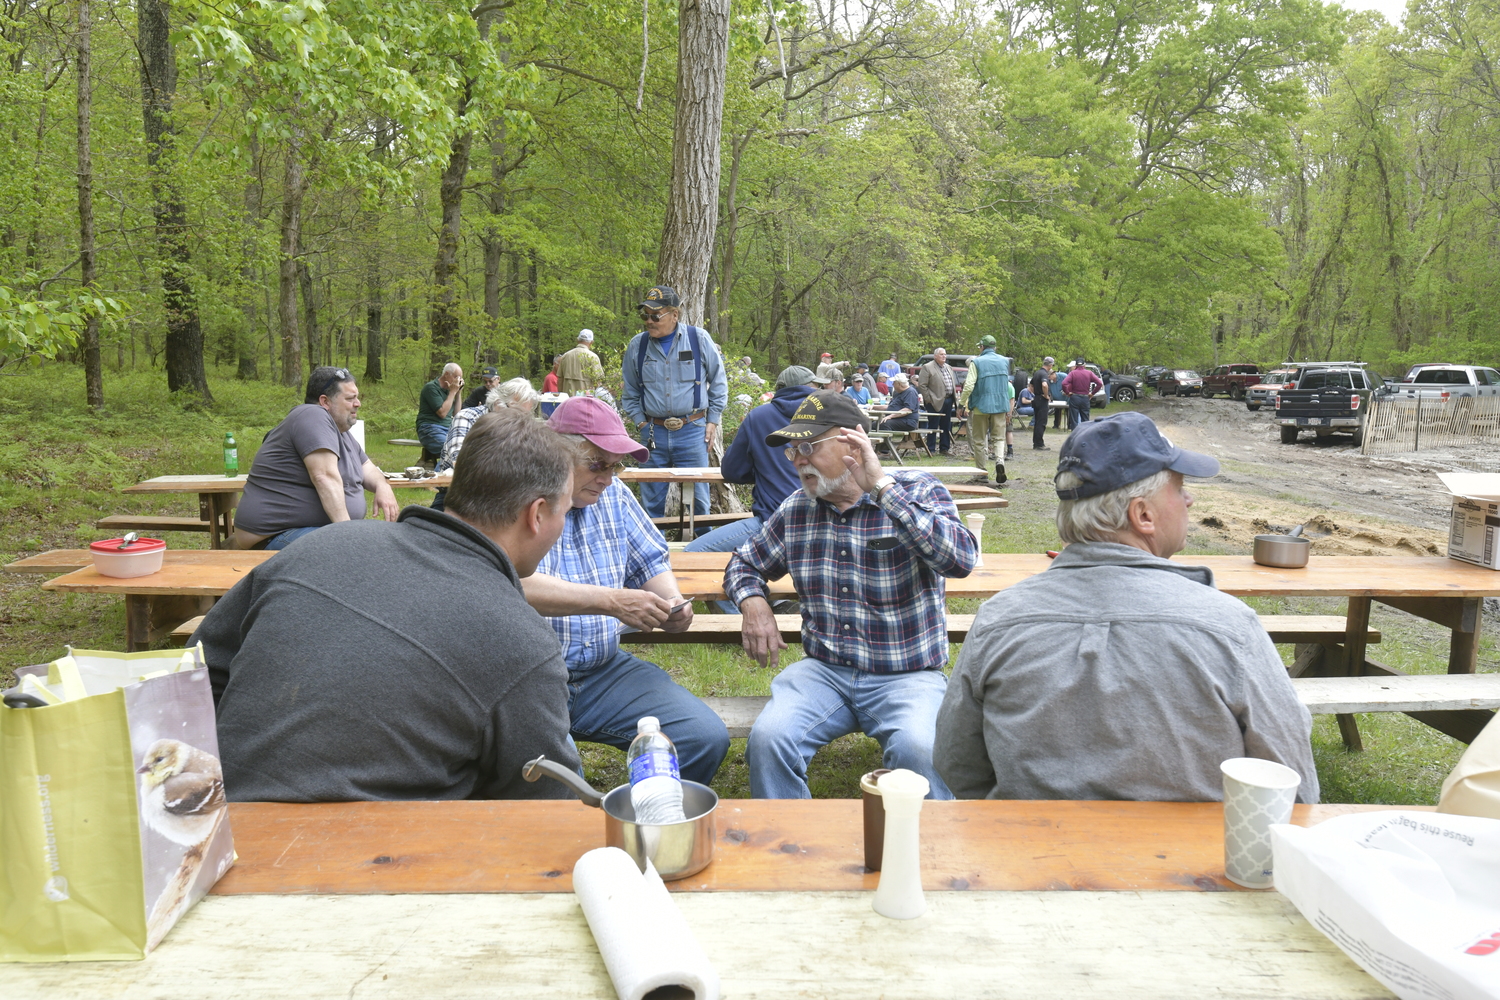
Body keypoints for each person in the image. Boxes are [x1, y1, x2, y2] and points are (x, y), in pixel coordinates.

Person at [196, 409, 582, 802]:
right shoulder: (521, 639)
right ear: (536, 514)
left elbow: (197, 670)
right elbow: (547, 795)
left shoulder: (320, 546)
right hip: (375, 857)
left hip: (213, 831)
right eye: (565, 511)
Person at [933, 411, 1318, 804]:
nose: (1189, 497)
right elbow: (1295, 786)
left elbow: (957, 765)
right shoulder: (1230, 628)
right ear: (1143, 515)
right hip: (1193, 863)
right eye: (1179, 485)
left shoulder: (999, 620)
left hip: (1032, 855)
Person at [724, 391, 977, 799]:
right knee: (769, 740)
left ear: (852, 442)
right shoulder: (797, 510)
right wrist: (753, 603)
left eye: (808, 447)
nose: (798, 460)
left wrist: (881, 489)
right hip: (824, 671)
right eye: (792, 451)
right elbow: (744, 563)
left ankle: (929, 854)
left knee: (922, 750)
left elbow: (961, 560)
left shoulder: (917, 491)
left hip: (906, 675)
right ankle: (791, 849)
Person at [525, 395, 730, 785]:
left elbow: (650, 560)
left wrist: (672, 604)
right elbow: (511, 583)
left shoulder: (613, 494)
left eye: (615, 465)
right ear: (554, 455)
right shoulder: (517, 496)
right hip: (530, 679)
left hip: (603, 671)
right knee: (557, 782)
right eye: (597, 464)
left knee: (701, 737)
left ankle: (649, 824)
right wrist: (610, 601)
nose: (608, 476)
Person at [230, 366, 399, 551]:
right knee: (364, 552)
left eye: (357, 397)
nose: (357, 403)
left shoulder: (341, 433)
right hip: (277, 535)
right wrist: (348, 537)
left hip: (309, 531)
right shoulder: (312, 414)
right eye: (350, 398)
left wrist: (383, 486)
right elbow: (324, 476)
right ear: (325, 401)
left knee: (389, 541)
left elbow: (367, 467)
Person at [685, 365, 819, 574]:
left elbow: (731, 470)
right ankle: (776, 601)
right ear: (812, 387)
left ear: (779, 389)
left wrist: (762, 472)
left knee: (692, 556)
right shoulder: (831, 416)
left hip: (773, 523)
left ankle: (741, 607)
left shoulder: (759, 417)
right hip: (825, 524)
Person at [620, 285, 729, 518]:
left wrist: (713, 420)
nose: (649, 321)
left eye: (655, 315)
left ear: (674, 315)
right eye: (645, 315)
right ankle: (655, 550)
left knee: (699, 503)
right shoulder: (637, 346)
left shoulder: (698, 339)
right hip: (652, 434)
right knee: (651, 504)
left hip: (692, 431)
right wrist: (641, 423)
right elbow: (629, 392)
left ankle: (700, 550)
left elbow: (719, 381)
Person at [958, 335, 1012, 485]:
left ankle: (981, 473)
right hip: (1000, 405)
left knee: (980, 440)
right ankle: (1000, 460)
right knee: (999, 438)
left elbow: (969, 385)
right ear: (995, 348)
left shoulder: (977, 362)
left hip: (981, 406)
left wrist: (961, 404)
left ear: (982, 347)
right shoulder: (1004, 361)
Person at [416, 363, 465, 456]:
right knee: (450, 451)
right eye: (456, 377)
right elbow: (442, 413)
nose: (458, 380)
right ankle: (441, 470)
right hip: (430, 428)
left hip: (448, 429)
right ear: (446, 374)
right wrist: (452, 392)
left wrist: (458, 393)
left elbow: (457, 415)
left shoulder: (450, 390)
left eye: (460, 378)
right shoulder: (431, 387)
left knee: (464, 450)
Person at [917, 347, 958, 455]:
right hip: (934, 401)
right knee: (933, 424)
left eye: (945, 354)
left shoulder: (949, 367)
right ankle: (931, 449)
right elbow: (922, 385)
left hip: (949, 399)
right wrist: (928, 399)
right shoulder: (927, 367)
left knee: (946, 425)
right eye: (941, 354)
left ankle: (944, 448)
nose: (944, 356)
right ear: (935, 356)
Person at [557, 329, 605, 397]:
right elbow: (597, 382)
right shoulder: (593, 357)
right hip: (586, 400)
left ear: (577, 340)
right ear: (591, 342)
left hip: (568, 400)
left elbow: (560, 380)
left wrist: (561, 397)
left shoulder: (565, 356)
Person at [1061, 359, 1103, 429]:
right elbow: (1099, 383)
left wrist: (1067, 392)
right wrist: (1092, 393)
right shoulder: (1089, 373)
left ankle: (1074, 434)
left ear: (1076, 365)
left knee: (1074, 418)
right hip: (1085, 397)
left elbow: (1064, 383)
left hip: (1075, 397)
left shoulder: (1072, 373)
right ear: (1084, 365)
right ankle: (1085, 434)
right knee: (1085, 418)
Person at [1029, 358, 1055, 450]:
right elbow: (1044, 385)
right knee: (1042, 422)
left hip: (1036, 398)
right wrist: (1045, 395)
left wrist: (1035, 393)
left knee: (1037, 421)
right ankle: (1039, 444)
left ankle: (1036, 442)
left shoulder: (1037, 373)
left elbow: (1031, 385)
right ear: (1050, 365)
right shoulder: (1044, 374)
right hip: (1041, 399)